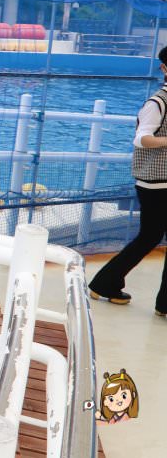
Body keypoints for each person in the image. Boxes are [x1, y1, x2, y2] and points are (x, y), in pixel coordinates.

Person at [88, 46, 167, 315]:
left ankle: (107, 283)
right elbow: (141, 138)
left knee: (150, 236)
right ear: (164, 69)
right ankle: (106, 282)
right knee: (149, 236)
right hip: (155, 182)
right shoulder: (157, 103)